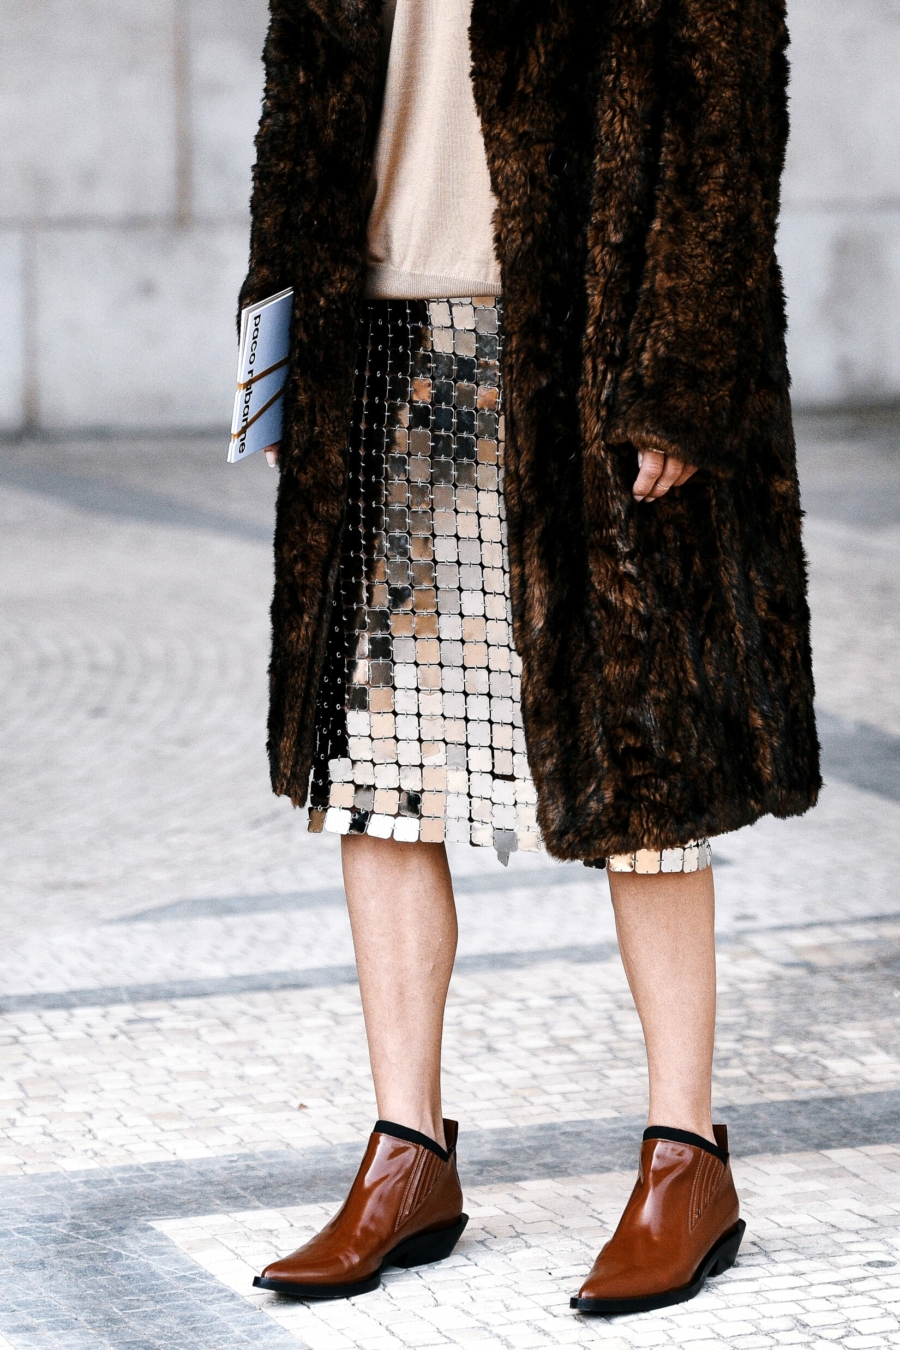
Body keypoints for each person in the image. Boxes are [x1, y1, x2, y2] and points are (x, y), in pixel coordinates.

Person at [240, 0, 819, 1316]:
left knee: (640, 753)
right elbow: (301, 97)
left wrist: (683, 362)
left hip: (583, 338)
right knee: (375, 761)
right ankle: (408, 1150)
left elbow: (725, 96)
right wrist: (272, 330)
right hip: (374, 330)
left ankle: (685, 1154)